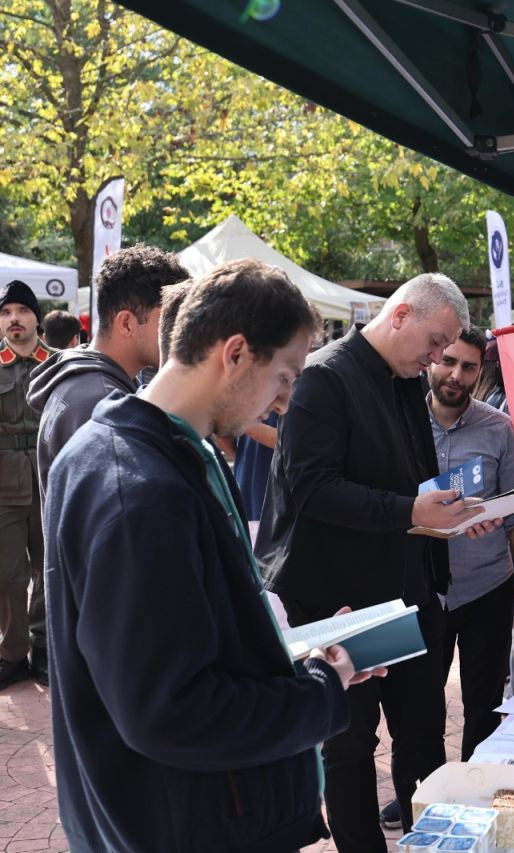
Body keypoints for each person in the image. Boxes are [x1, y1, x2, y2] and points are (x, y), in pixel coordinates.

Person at [43, 258, 378, 852]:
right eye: (284, 375)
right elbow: (174, 712)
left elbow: (171, 648)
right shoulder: (143, 493)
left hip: (163, 814)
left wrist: (287, 651)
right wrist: (325, 686)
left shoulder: (129, 454)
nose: (283, 401)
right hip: (182, 824)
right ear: (236, 353)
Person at [255, 272, 497, 852]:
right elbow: (311, 489)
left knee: (422, 736)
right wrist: (410, 509)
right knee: (348, 746)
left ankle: (434, 842)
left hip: (406, 590)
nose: (439, 359)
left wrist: (455, 512)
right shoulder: (323, 378)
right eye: (436, 342)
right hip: (337, 600)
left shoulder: (403, 381)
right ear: (402, 314)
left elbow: (410, 480)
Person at [378, 328, 514, 830]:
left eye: (469, 367)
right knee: (417, 714)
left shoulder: (497, 428)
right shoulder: (398, 422)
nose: (456, 375)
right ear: (432, 360)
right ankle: (425, 811)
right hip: (420, 591)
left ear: (480, 372)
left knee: (486, 708)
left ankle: (474, 809)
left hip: (486, 588)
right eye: (448, 362)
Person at [28, 244, 189, 493]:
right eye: (168, 318)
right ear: (126, 323)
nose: (177, 330)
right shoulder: (100, 400)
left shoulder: (85, 380)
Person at [0, 280, 50, 690]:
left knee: (49, 570)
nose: (14, 319)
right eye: (6, 312)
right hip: (4, 486)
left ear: (36, 317)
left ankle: (46, 649)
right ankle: (13, 654)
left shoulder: (57, 362)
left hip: (50, 478)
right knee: (8, 576)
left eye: (21, 311)